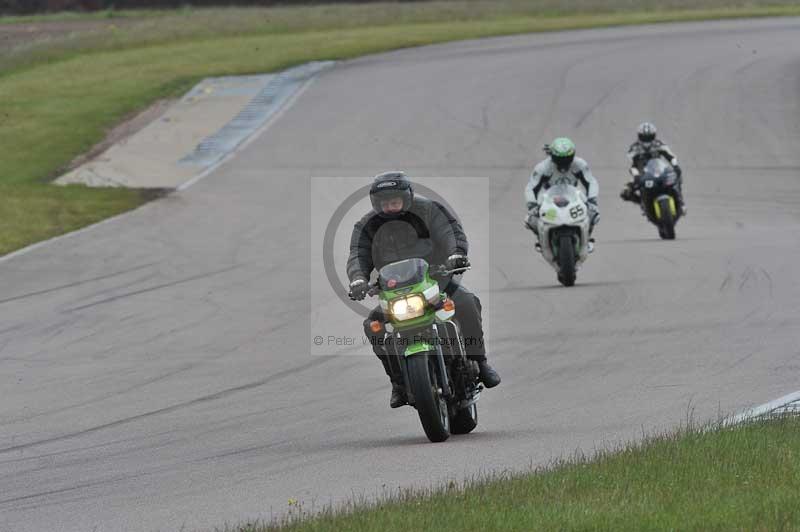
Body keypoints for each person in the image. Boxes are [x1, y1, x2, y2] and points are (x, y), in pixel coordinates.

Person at [347, 172, 501, 408]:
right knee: (373, 325)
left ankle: (480, 362)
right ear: (376, 203)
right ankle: (398, 382)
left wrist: (456, 254)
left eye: (394, 201)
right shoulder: (367, 225)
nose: (389, 207)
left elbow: (451, 233)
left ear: (406, 197)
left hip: (436, 281)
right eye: (384, 203)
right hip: (394, 291)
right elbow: (358, 254)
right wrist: (358, 279)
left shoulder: (429, 211)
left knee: (467, 302)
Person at [523, 137, 600, 252]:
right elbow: (531, 187)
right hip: (548, 197)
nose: (563, 162)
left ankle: (587, 238)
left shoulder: (580, 164)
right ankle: (541, 240)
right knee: (529, 219)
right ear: (552, 156)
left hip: (574, 194)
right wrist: (532, 205)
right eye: (559, 159)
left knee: (594, 213)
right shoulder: (543, 168)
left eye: (567, 158)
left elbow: (591, 181)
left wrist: (592, 200)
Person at [621, 122, 686, 213]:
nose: (646, 141)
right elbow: (633, 165)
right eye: (644, 138)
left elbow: (670, 156)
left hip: (659, 170)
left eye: (649, 137)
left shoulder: (659, 144)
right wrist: (636, 176)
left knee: (676, 178)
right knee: (625, 192)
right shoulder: (634, 148)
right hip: (641, 173)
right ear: (639, 137)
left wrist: (675, 166)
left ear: (654, 136)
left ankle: (681, 202)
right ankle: (643, 203)